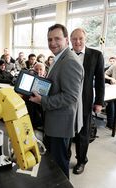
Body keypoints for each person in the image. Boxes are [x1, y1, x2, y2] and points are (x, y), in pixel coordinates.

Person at [29, 24, 84, 178]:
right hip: (55, 121)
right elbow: (59, 86)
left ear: (66, 40)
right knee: (53, 163)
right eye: (49, 39)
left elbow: (71, 96)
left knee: (59, 166)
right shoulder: (60, 57)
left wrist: (43, 101)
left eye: (57, 39)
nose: (52, 43)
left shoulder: (69, 61)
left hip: (61, 124)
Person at [70, 28, 105, 175]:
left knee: (83, 133)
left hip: (85, 101)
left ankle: (81, 160)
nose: (77, 41)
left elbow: (100, 81)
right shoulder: (67, 54)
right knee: (68, 132)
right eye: (74, 39)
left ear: (85, 39)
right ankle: (65, 157)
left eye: (80, 38)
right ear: (70, 40)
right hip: (68, 101)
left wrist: (99, 102)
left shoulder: (96, 55)